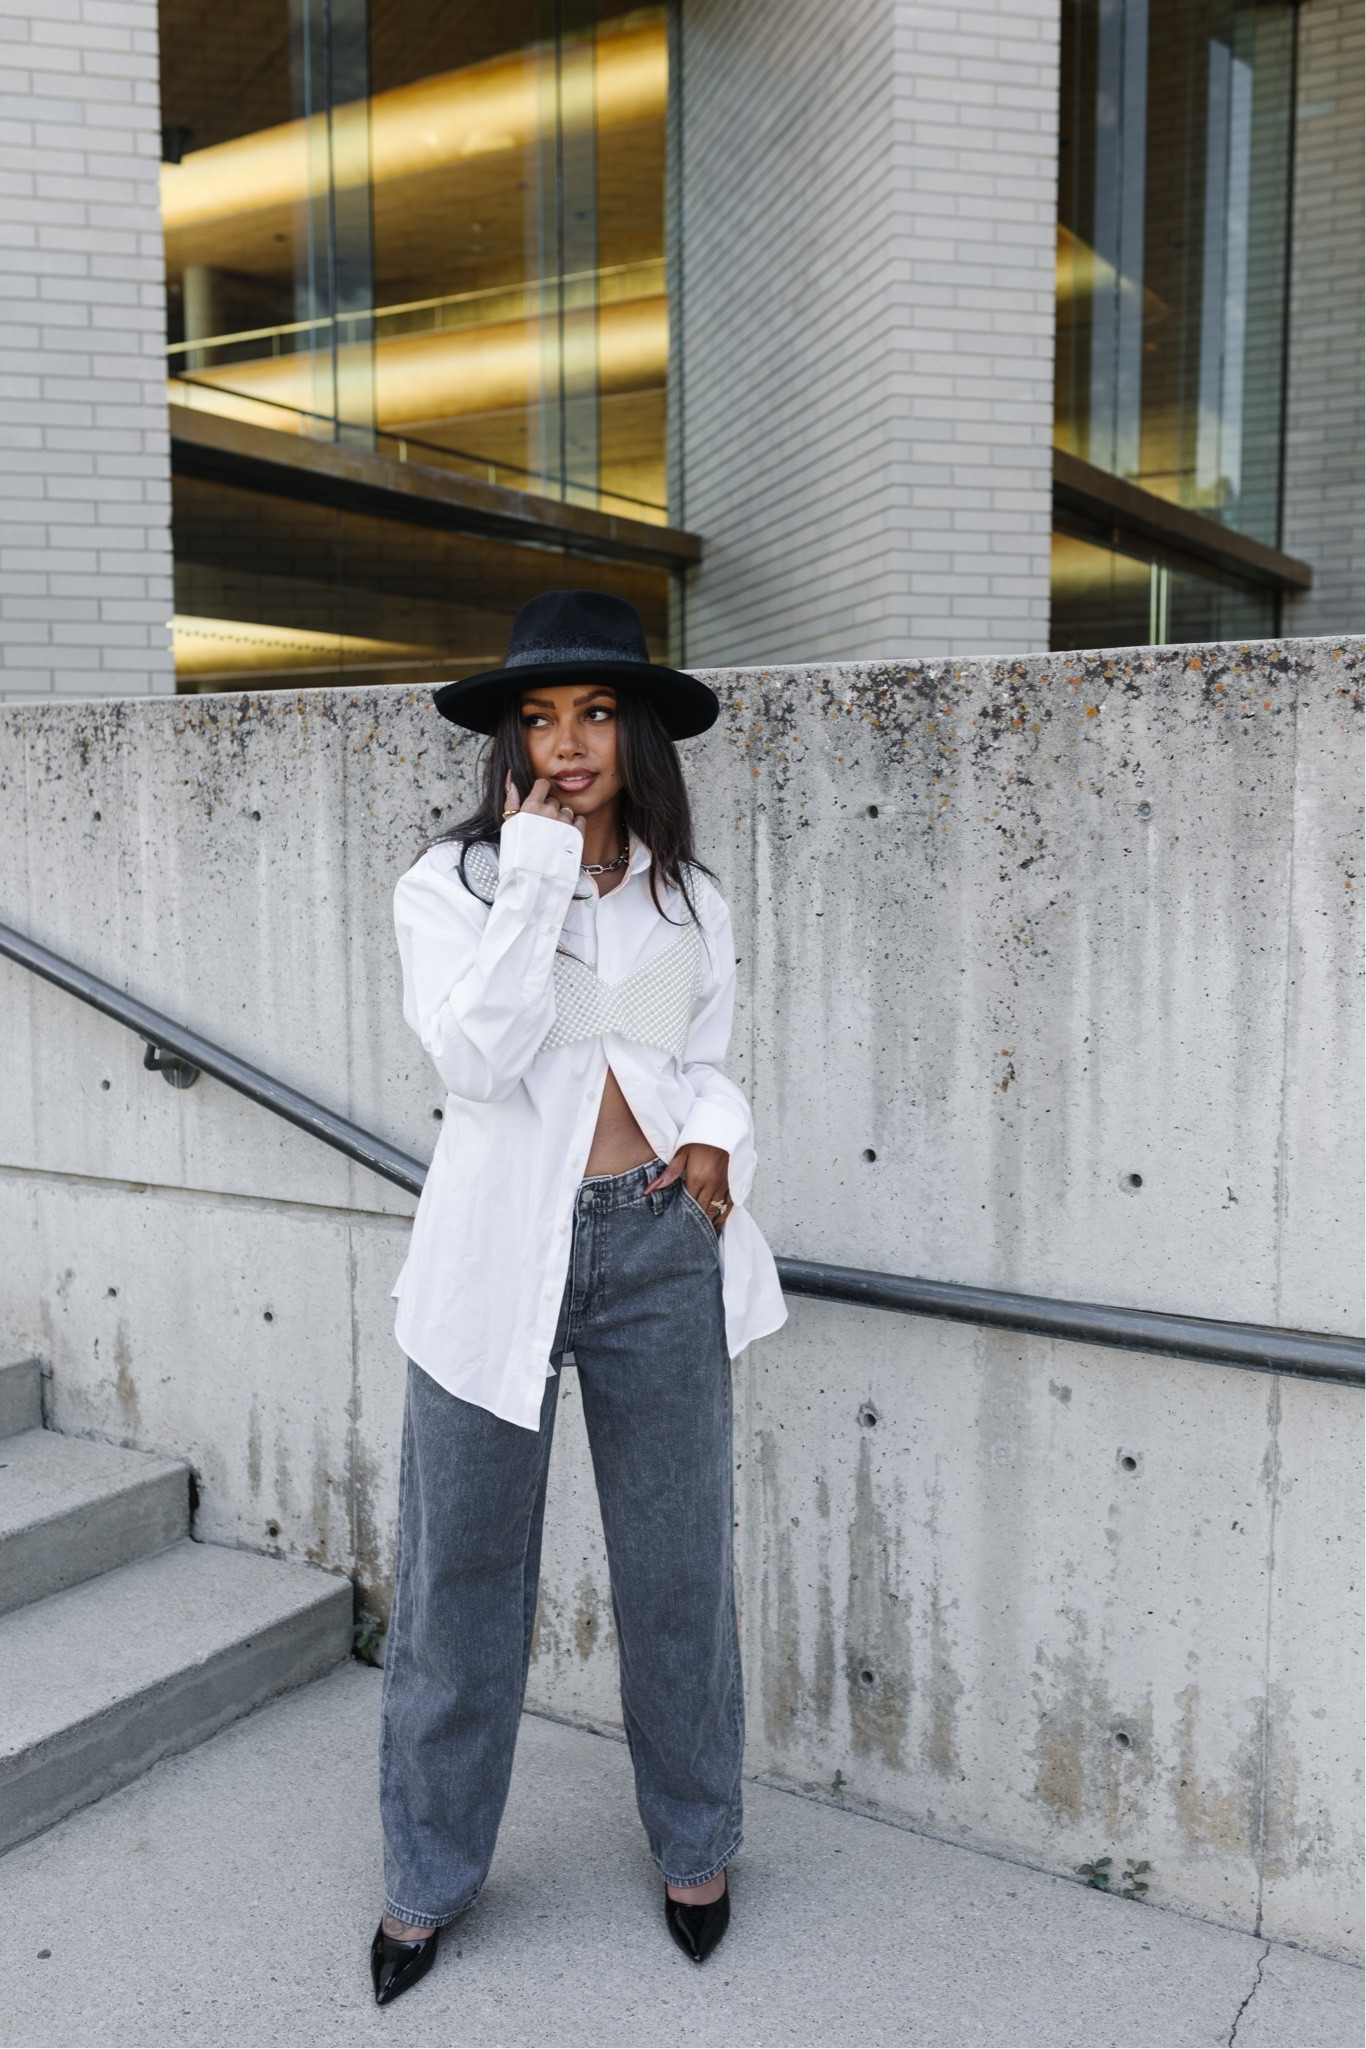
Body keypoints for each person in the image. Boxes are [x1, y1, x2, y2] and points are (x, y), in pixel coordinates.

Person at [372, 589, 787, 2007]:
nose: (566, 743)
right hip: (495, 1260)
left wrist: (718, 1134)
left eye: (595, 712)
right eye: (539, 717)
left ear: (639, 733)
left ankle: (695, 1845)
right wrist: (539, 867)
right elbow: (478, 1060)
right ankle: (425, 1882)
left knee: (678, 1575)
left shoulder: (692, 897)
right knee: (457, 1590)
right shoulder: (452, 889)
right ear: (506, 739)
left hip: (659, 1246)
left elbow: (710, 1054)